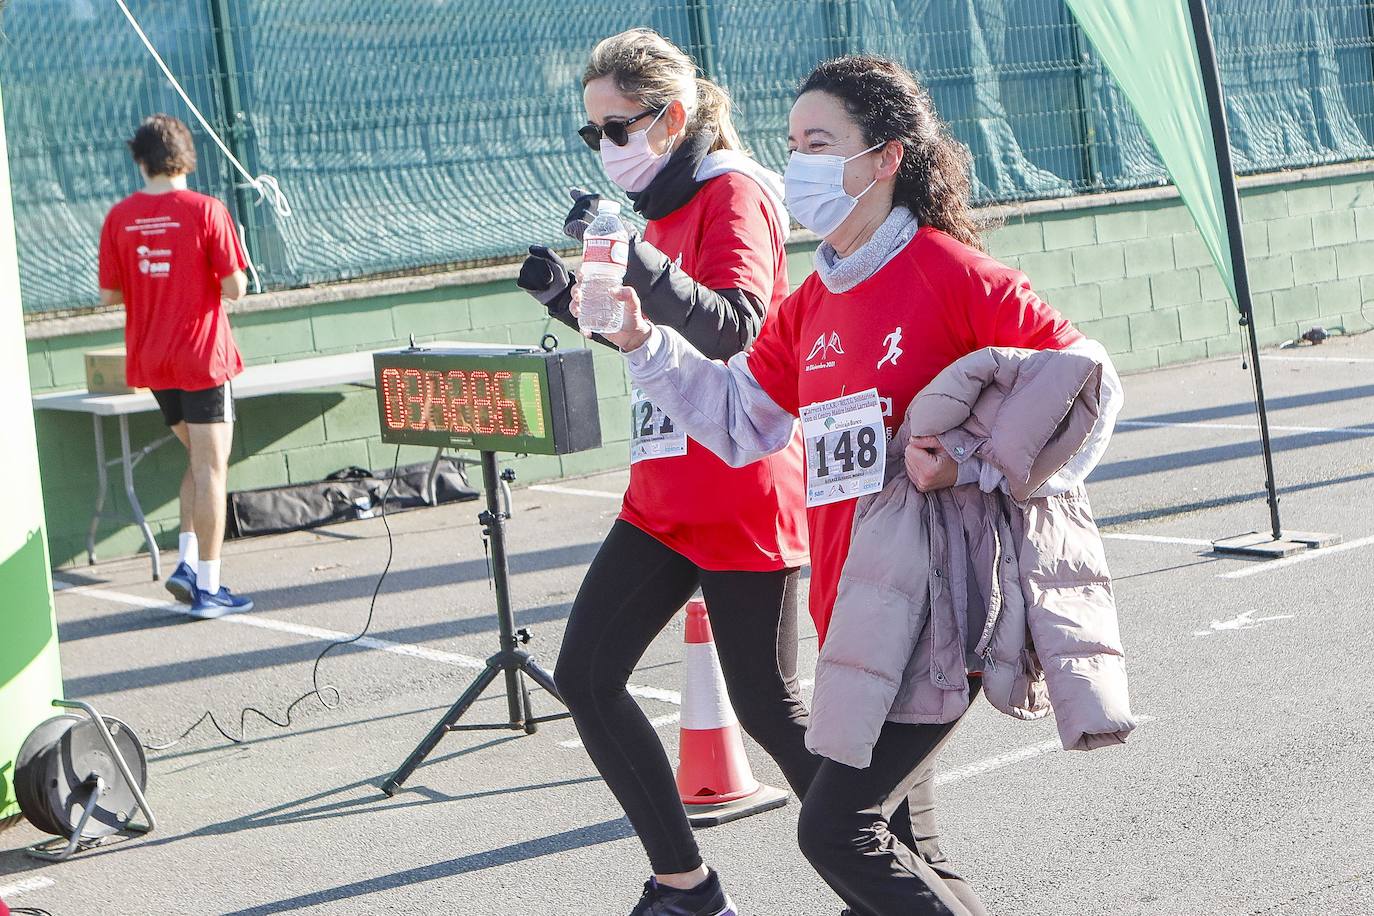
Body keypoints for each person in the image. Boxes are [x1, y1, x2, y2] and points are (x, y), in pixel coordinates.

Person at [586, 56, 1126, 915]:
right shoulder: (811, 302)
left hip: (938, 611)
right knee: (909, 851)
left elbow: (1090, 386)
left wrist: (975, 466)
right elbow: (739, 420)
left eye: (819, 142)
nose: (796, 162)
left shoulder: (953, 275)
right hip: (855, 611)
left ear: (884, 159)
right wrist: (641, 345)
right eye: (792, 141)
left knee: (836, 832)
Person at [515, 28, 812, 916]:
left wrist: (635, 259)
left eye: (616, 129)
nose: (605, 149)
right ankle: (686, 887)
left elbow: (735, 329)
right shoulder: (657, 210)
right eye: (591, 133)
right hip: (662, 492)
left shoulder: (735, 196)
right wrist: (571, 302)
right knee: (588, 678)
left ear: (674, 118)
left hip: (740, 484)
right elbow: (651, 335)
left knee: (769, 712)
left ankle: (899, 867)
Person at [98, 114, 254, 618]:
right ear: (187, 156)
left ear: (140, 161)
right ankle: (209, 586)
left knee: (198, 461)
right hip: (201, 356)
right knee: (212, 467)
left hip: (154, 359)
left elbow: (109, 294)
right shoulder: (207, 210)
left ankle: (188, 565)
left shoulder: (119, 217)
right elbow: (235, 289)